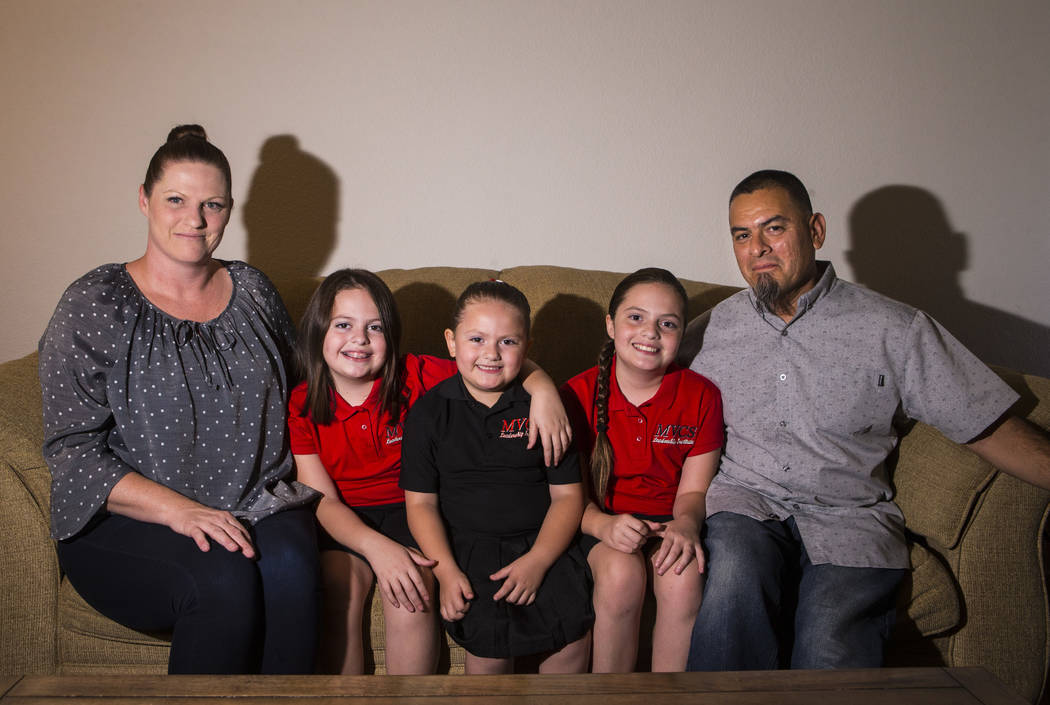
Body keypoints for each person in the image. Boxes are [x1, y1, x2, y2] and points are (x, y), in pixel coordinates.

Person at [681, 169, 1050, 671]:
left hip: (849, 518)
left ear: (815, 230)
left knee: (829, 645)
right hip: (745, 505)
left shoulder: (895, 329)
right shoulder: (713, 329)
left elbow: (982, 421)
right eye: (742, 235)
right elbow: (622, 379)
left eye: (774, 228)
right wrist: (542, 391)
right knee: (731, 590)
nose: (757, 248)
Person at [38, 125, 320, 674]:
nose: (194, 220)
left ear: (229, 210)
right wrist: (182, 512)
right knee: (223, 577)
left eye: (211, 205)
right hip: (131, 516)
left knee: (293, 572)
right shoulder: (94, 303)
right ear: (144, 200)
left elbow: (313, 391)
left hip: (258, 499)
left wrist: (526, 376)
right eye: (176, 200)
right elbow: (71, 452)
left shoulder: (254, 290)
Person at [288, 269, 574, 674]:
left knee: (413, 584)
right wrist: (375, 547)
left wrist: (543, 388)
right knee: (337, 582)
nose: (360, 339)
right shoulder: (301, 405)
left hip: (414, 510)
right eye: (343, 325)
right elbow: (322, 502)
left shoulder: (419, 376)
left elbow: (490, 361)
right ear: (318, 332)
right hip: (345, 522)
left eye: (375, 327)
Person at [400, 281, 593, 674]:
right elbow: (420, 503)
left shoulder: (545, 410)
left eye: (507, 342)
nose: (490, 353)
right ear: (451, 342)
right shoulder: (429, 413)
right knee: (488, 655)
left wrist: (538, 560)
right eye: (477, 339)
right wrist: (447, 571)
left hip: (543, 545)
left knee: (572, 639)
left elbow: (568, 497)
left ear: (527, 346)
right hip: (469, 551)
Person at [561, 268, 723, 672]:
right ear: (611, 325)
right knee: (621, 575)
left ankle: (668, 697)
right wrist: (602, 525)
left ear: (681, 334)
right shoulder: (574, 395)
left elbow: (693, 490)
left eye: (666, 324)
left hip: (669, 522)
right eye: (636, 317)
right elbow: (567, 495)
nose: (650, 332)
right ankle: (611, 696)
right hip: (597, 524)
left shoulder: (702, 395)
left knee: (683, 578)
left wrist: (686, 523)